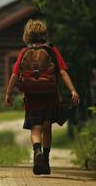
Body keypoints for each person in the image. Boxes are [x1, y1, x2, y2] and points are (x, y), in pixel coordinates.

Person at [5, 19, 80, 175]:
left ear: (27, 35)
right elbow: (63, 72)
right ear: (44, 34)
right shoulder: (52, 50)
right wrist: (72, 90)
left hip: (31, 97)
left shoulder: (24, 52)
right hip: (50, 96)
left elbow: (14, 75)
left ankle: (36, 149)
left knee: (35, 128)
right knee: (47, 127)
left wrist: (8, 93)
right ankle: (45, 161)